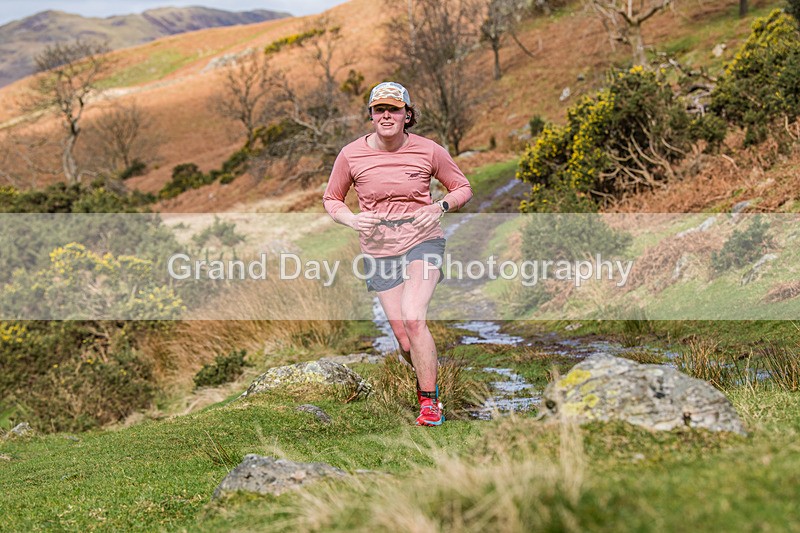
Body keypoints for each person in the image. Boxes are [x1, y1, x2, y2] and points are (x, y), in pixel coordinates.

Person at [322, 81, 472, 426]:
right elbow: (332, 199)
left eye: (393, 109)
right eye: (379, 110)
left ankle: (430, 404)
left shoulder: (429, 150)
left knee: (414, 316)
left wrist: (440, 206)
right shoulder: (351, 155)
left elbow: (462, 187)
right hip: (378, 250)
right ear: (371, 116)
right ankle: (426, 367)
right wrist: (352, 219)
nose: (386, 115)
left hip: (423, 242)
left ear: (407, 115)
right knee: (404, 337)